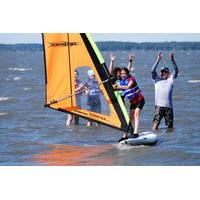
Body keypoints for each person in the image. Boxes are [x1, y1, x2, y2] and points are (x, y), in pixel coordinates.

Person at [114, 67, 145, 142]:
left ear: (127, 73)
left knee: (136, 114)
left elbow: (128, 86)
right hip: (133, 102)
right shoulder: (121, 82)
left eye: (125, 73)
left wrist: (117, 86)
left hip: (140, 100)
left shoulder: (131, 79)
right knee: (130, 118)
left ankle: (135, 132)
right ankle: (125, 135)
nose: (123, 75)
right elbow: (115, 88)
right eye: (121, 74)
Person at [151, 52, 179, 130]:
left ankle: (169, 139)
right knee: (156, 122)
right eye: (162, 72)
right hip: (159, 106)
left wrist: (172, 60)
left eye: (165, 72)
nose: (163, 73)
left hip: (169, 107)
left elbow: (176, 71)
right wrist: (158, 60)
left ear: (168, 73)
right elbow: (152, 70)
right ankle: (154, 135)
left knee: (170, 125)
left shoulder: (171, 79)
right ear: (160, 73)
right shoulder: (156, 79)